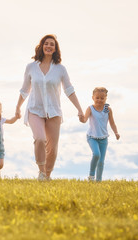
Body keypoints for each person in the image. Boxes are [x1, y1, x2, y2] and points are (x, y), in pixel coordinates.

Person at [15, 34, 84, 181]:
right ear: (41, 46)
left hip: (54, 111)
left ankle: (47, 175)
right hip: (35, 109)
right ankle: (41, 172)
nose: (48, 46)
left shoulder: (60, 69)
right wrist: (18, 108)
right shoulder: (31, 67)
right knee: (40, 139)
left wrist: (79, 109)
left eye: (52, 44)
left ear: (55, 49)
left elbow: (69, 90)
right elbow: (24, 89)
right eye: (46, 43)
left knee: (52, 147)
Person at [80, 87, 120, 182]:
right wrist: (82, 119)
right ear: (93, 97)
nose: (99, 100)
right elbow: (85, 119)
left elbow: (112, 123)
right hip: (92, 137)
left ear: (106, 98)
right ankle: (91, 176)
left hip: (103, 138)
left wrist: (116, 132)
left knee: (101, 161)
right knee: (96, 154)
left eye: (102, 98)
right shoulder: (90, 108)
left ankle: (98, 181)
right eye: (97, 98)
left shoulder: (107, 109)